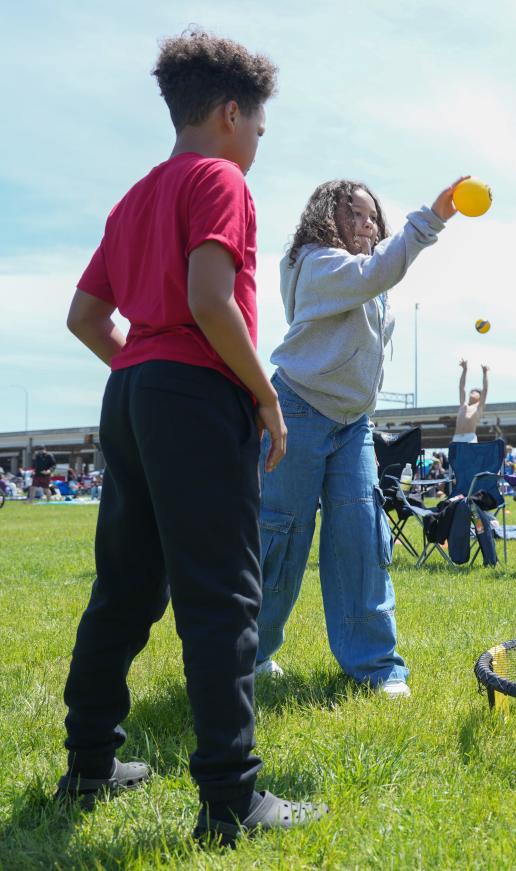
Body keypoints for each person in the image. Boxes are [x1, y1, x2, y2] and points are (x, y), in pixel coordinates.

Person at [57, 30, 324, 844]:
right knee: (223, 598)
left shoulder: (135, 196)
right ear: (231, 114)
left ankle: (90, 765)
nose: (259, 145)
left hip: (132, 392)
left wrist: (144, 364)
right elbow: (213, 301)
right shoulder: (220, 178)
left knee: (125, 591)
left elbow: (84, 319)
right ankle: (230, 801)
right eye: (259, 128)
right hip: (195, 396)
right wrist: (264, 398)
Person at [254, 176, 463, 695]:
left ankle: (377, 667)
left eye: (374, 217)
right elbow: (374, 273)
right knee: (282, 536)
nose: (368, 224)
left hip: (353, 424)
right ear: (328, 218)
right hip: (298, 411)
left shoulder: (361, 277)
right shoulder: (317, 263)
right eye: (356, 214)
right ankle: (251, 653)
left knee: (363, 540)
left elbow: (372, 280)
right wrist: (430, 218)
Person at [453, 359, 488, 443]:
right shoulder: (463, 404)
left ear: (480, 397)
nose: (472, 392)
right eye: (471, 392)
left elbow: (485, 389)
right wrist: (465, 369)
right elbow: (461, 387)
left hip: (469, 438)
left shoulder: (479, 406)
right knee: (454, 456)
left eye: (475, 392)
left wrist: (484, 373)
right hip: (457, 437)